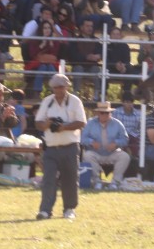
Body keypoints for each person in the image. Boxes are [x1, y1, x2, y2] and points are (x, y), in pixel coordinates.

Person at [35, 74, 87, 220]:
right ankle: (45, 210)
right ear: (52, 88)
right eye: (56, 87)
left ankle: (69, 209)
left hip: (70, 146)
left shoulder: (75, 101)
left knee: (70, 179)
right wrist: (47, 124)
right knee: (48, 179)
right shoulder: (47, 102)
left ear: (67, 86)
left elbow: (81, 123)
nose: (58, 90)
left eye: (61, 87)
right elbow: (38, 123)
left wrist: (64, 127)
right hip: (51, 147)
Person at [82, 102, 131, 190]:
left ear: (110, 113)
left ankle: (115, 182)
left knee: (125, 156)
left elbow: (125, 139)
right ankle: (97, 181)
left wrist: (116, 143)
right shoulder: (90, 123)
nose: (105, 115)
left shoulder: (117, 124)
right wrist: (91, 142)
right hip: (96, 153)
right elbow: (82, 139)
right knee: (87, 155)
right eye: (102, 113)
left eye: (107, 113)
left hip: (113, 153)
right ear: (97, 113)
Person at [67, 19, 103, 100]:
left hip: (92, 66)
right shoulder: (74, 40)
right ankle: (76, 93)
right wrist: (86, 57)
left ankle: (97, 94)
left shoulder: (97, 41)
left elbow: (100, 53)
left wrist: (98, 56)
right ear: (81, 27)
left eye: (91, 26)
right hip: (79, 66)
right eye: (87, 26)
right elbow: (72, 56)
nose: (90, 28)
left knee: (96, 69)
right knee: (78, 69)